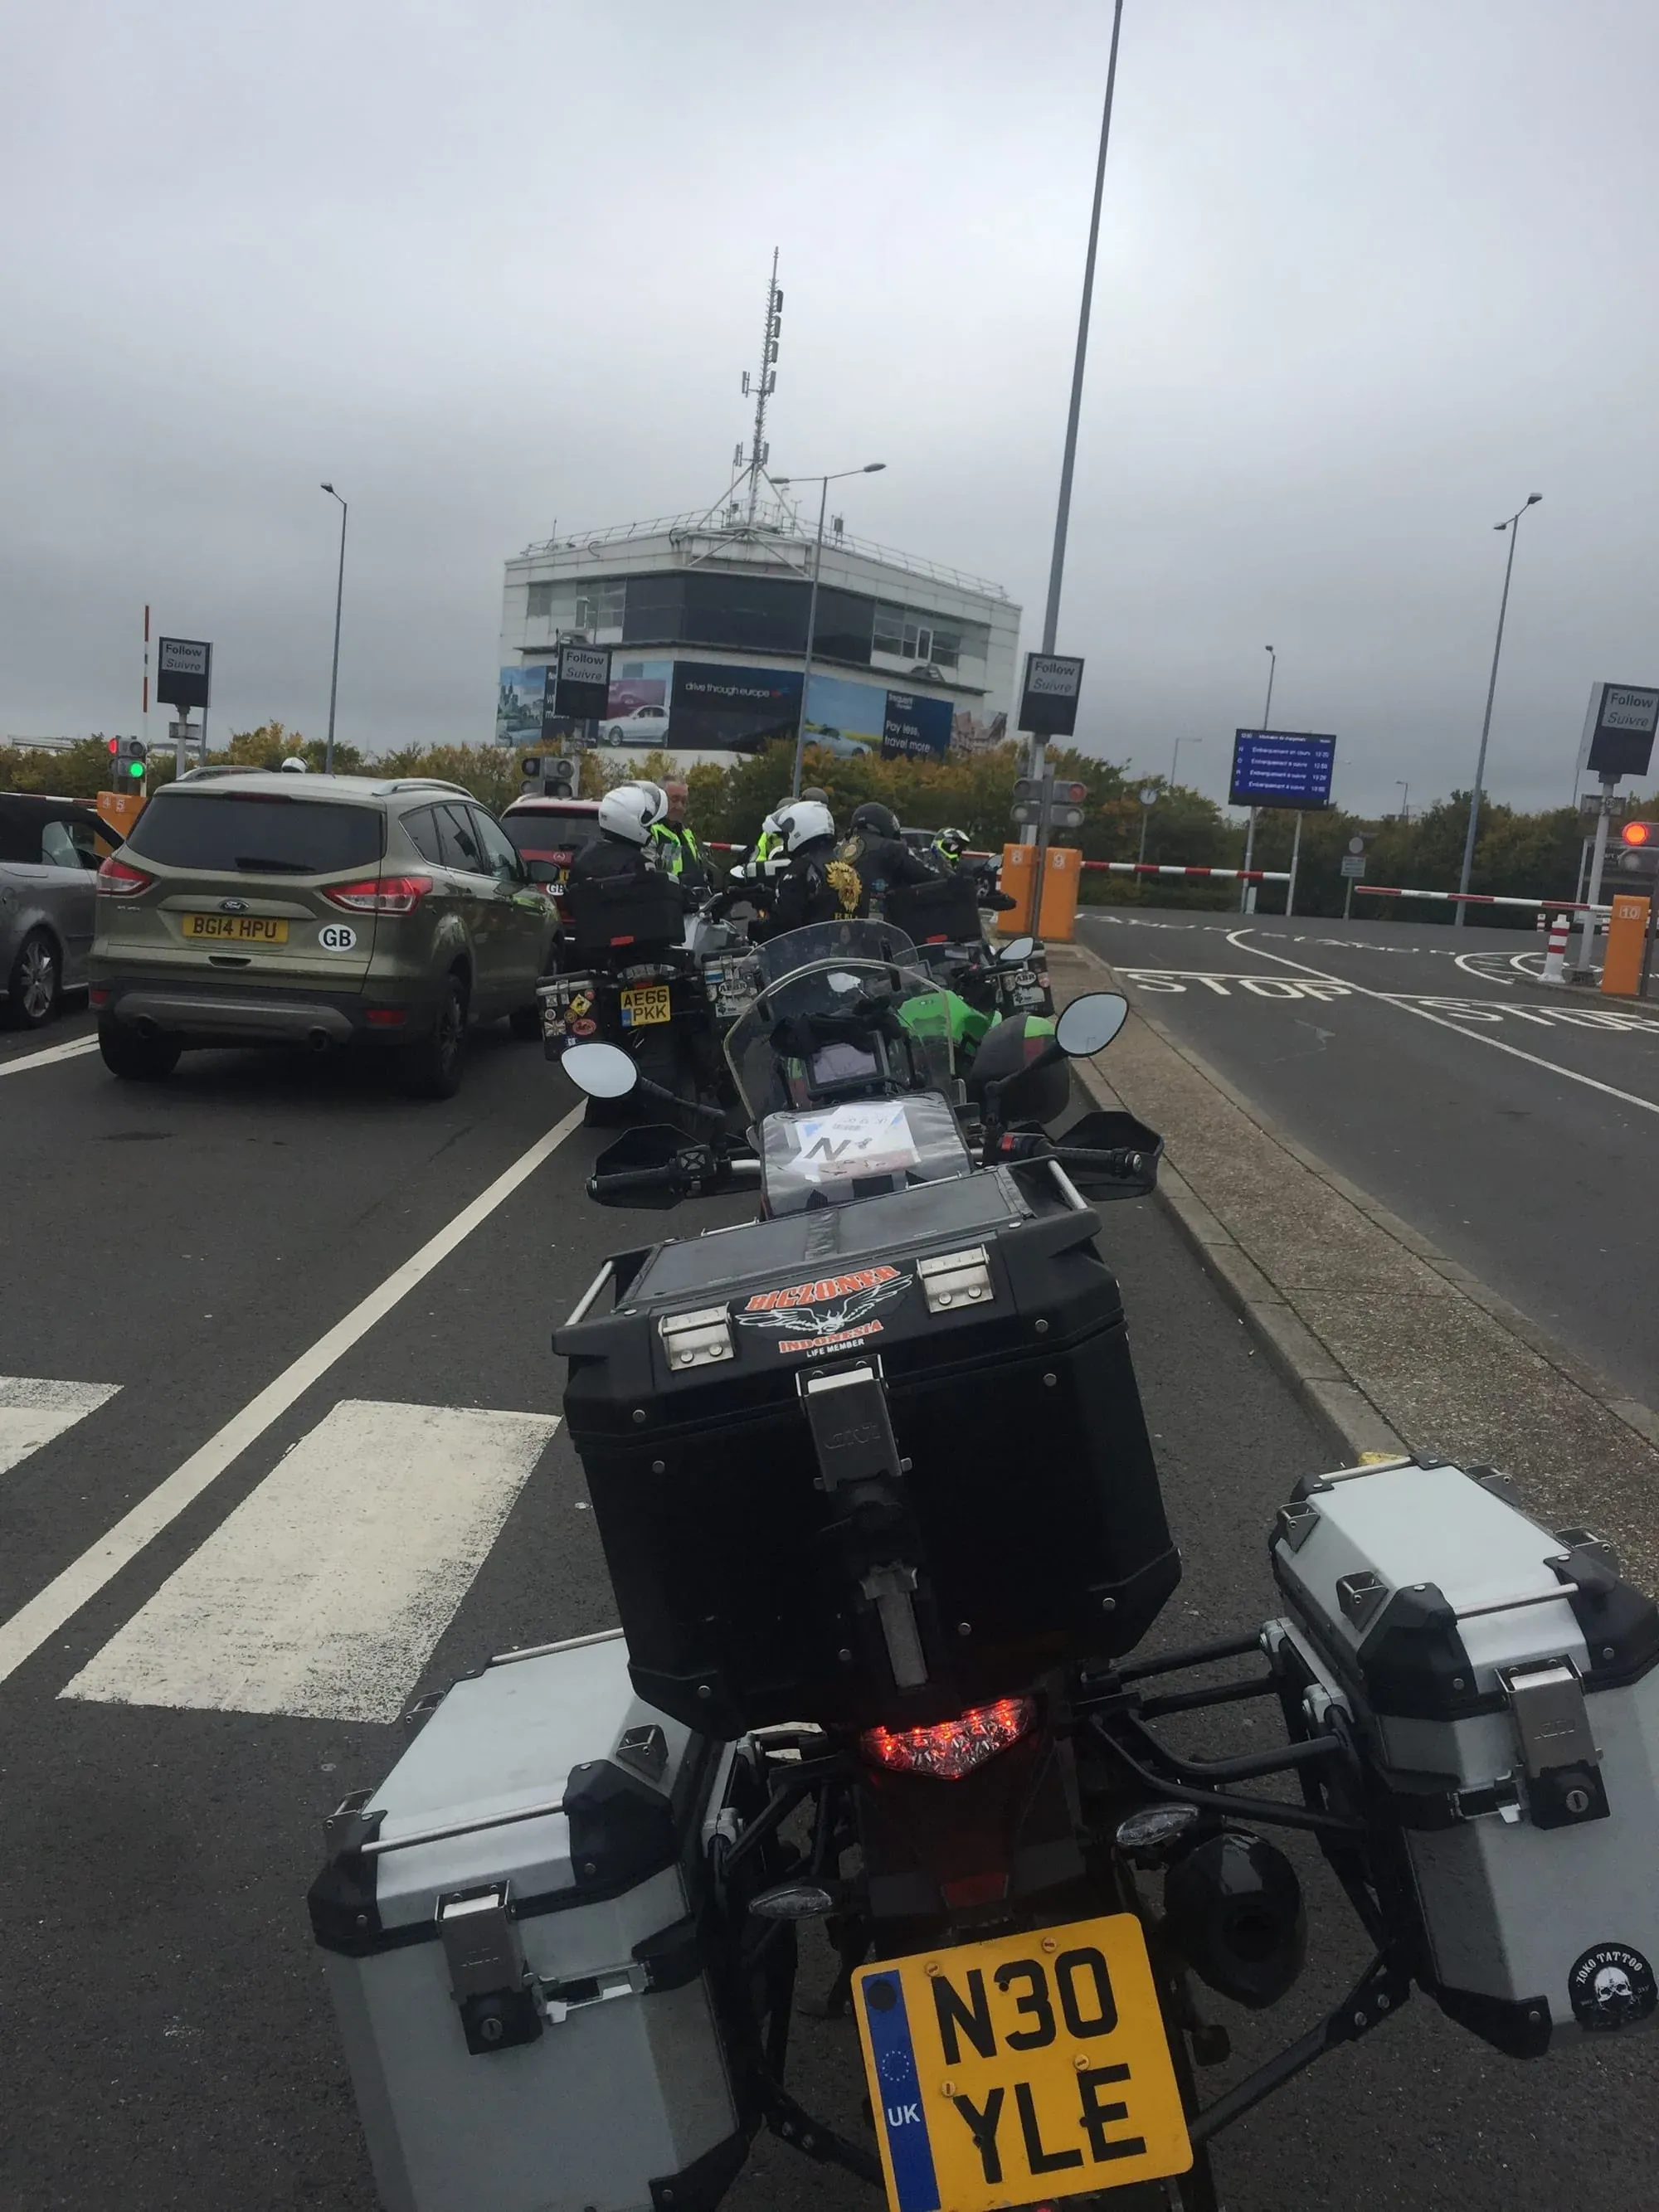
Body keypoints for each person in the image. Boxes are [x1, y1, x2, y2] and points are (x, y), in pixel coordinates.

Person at [742, 800, 855, 940]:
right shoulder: (852, 874)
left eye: (785, 836)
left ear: (800, 830)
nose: (784, 842)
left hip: (808, 957)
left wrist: (757, 930)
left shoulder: (800, 870)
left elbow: (783, 925)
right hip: (848, 958)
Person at [834, 800, 940, 918]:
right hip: (882, 927)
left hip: (841, 925)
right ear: (883, 822)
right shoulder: (891, 847)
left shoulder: (838, 851)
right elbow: (924, 876)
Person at [648, 780, 711, 895]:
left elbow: (703, 869)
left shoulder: (687, 834)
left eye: (684, 802)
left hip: (694, 902)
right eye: (674, 799)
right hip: (665, 901)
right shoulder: (650, 831)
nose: (680, 806)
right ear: (659, 800)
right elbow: (649, 875)